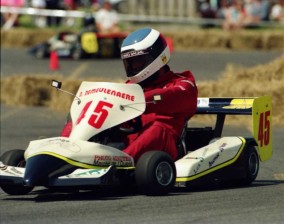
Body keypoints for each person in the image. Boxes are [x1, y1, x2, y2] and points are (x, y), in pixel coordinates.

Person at [60, 28, 198, 162]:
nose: (132, 67)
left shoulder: (183, 84)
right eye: (129, 63)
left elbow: (170, 96)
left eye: (137, 62)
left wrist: (139, 100)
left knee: (157, 128)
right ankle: (63, 151)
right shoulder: (130, 87)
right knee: (81, 118)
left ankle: (117, 164)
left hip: (165, 146)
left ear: (156, 57)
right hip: (128, 140)